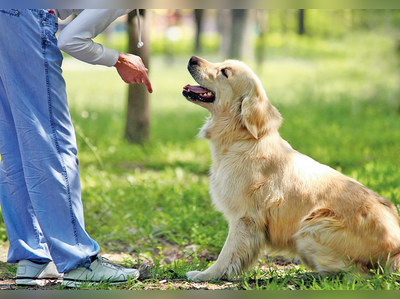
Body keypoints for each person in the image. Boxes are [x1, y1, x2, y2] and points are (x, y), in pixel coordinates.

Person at [0, 9, 152, 287]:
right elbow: (70, 39)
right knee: (52, 141)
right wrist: (118, 58)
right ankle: (78, 261)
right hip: (28, 16)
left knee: (15, 143)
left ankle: (32, 258)